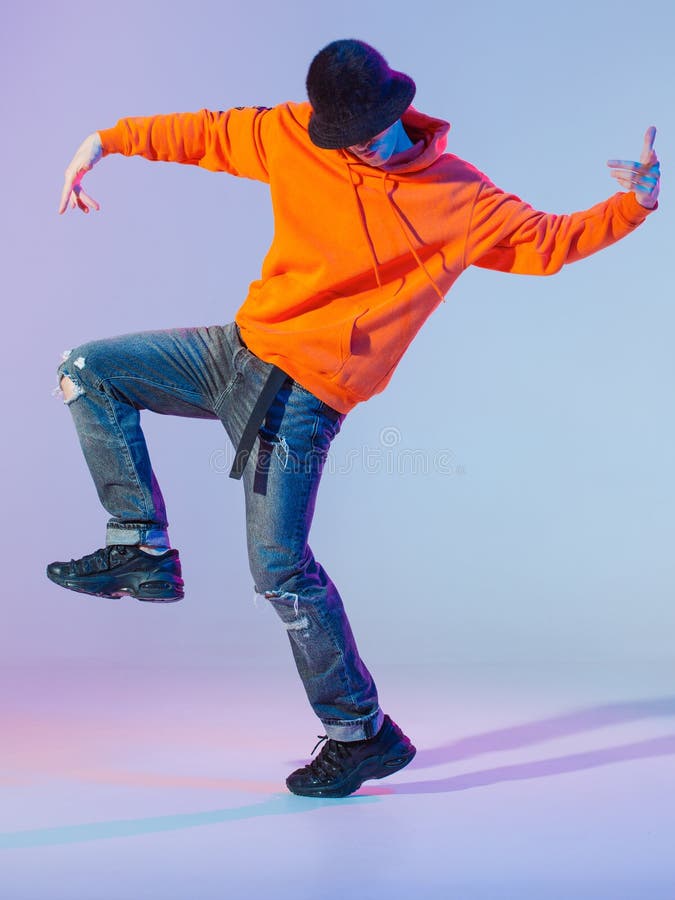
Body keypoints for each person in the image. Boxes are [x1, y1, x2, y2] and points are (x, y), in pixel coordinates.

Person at [49, 39, 660, 798]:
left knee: (279, 572)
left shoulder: (460, 197)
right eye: (341, 137)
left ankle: (361, 734)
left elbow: (548, 242)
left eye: (367, 134)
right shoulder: (293, 134)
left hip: (302, 395)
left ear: (396, 109)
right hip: (235, 351)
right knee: (87, 371)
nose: (357, 149)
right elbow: (203, 132)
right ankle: (139, 545)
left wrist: (632, 206)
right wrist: (103, 142)